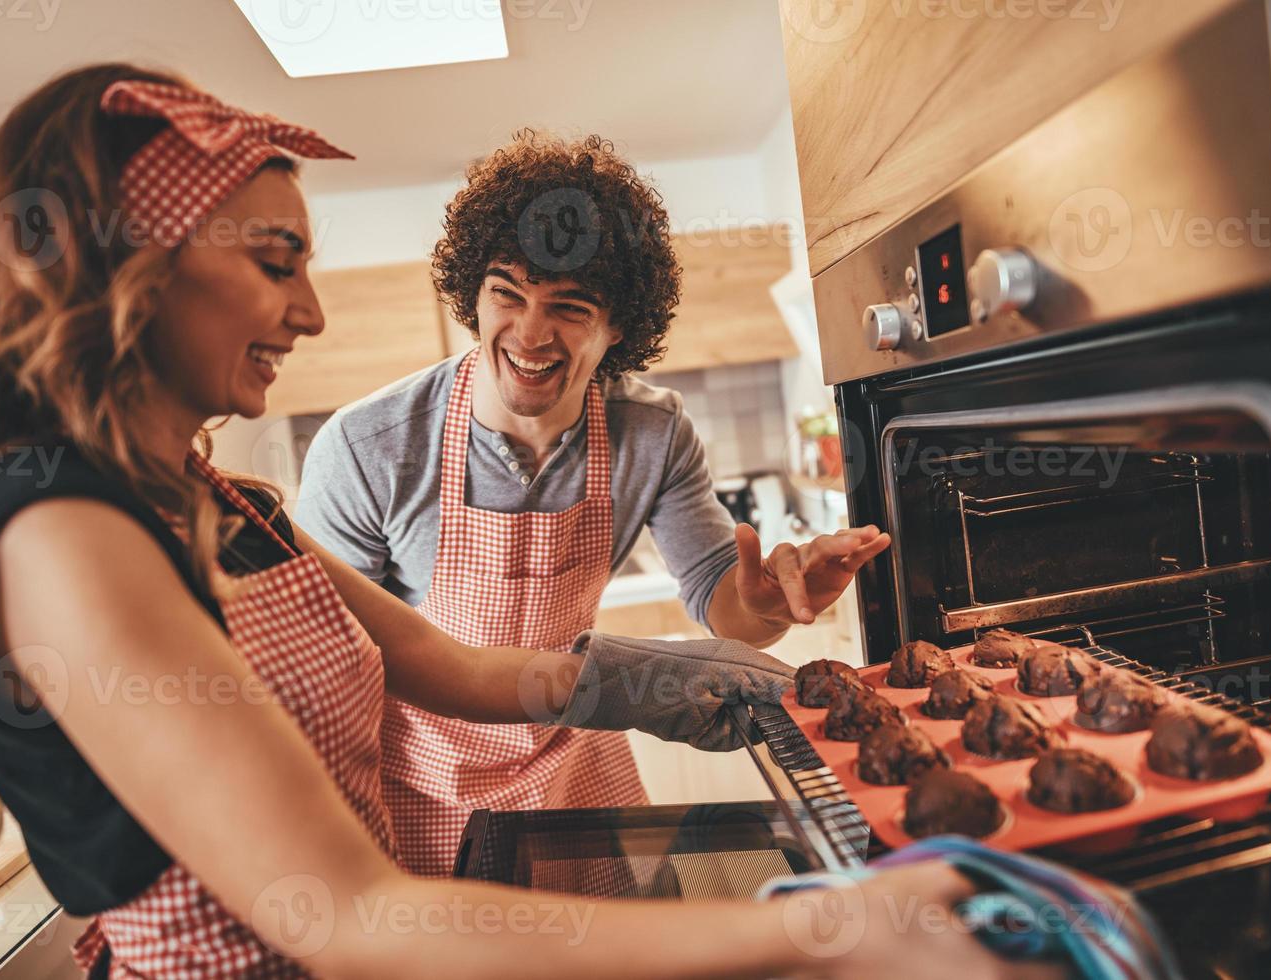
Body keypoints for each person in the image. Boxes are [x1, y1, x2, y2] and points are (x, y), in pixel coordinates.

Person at [0, 64, 1056, 980]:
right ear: (130, 269)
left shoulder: (221, 501)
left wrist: (709, 678)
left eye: (573, 308)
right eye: (277, 260)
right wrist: (827, 928)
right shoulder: (61, 531)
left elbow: (455, 666)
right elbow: (355, 912)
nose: (308, 310)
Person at [296, 131, 892, 878]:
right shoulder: (368, 446)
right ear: (470, 297)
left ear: (619, 330)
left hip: (571, 759)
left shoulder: (652, 432)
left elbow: (720, 601)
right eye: (506, 293)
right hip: (423, 788)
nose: (530, 331)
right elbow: (328, 665)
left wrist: (766, 603)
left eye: (569, 306)